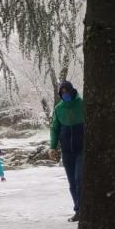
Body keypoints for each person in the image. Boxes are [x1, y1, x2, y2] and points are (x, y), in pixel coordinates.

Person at [49, 81, 85, 221]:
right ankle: (78, 210)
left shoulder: (82, 105)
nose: (65, 94)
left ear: (72, 91)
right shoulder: (58, 109)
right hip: (66, 151)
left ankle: (84, 208)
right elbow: (54, 129)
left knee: (79, 179)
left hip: (81, 149)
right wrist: (53, 146)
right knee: (72, 182)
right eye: (62, 93)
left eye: (67, 92)